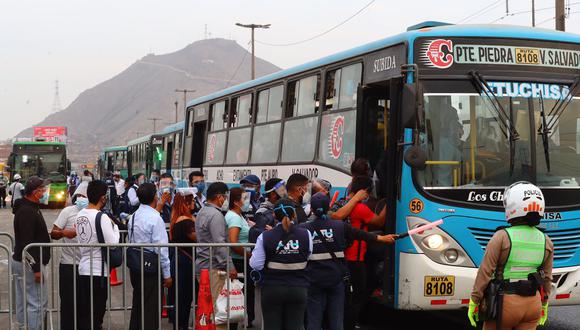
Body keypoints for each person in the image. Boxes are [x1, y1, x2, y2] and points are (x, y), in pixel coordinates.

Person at [302, 192, 397, 330]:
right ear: (329, 207)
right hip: (335, 279)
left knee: (314, 319)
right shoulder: (340, 226)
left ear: (311, 209)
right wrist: (382, 238)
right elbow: (360, 234)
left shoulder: (303, 229)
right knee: (336, 319)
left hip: (314, 280)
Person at [468, 182, 553, 329]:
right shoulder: (546, 240)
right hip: (533, 304)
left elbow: (486, 271)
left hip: (504, 303)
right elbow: (547, 277)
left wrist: (474, 301)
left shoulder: (502, 237)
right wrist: (544, 304)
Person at [249, 198, 312, 330]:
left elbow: (256, 264)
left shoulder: (265, 236)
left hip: (272, 289)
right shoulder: (306, 234)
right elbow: (308, 256)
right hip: (298, 288)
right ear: (294, 214)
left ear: (274, 215)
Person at [340, 176, 387, 330]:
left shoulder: (344, 204)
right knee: (358, 295)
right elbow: (379, 221)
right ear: (364, 192)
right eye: (368, 192)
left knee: (349, 294)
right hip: (356, 258)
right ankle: (350, 324)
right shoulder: (360, 208)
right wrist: (390, 201)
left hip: (345, 256)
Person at [76, 180, 120, 330]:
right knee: (97, 313)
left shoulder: (80, 214)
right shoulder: (102, 217)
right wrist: (116, 229)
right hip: (98, 272)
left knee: (85, 312)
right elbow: (113, 243)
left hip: (83, 268)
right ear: (103, 198)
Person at [127, 183, 172, 330]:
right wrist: (167, 274)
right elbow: (161, 249)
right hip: (151, 267)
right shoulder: (156, 218)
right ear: (155, 196)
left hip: (135, 266)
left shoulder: (133, 216)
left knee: (138, 302)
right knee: (151, 307)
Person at [195, 182, 237, 330]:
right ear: (219, 197)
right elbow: (220, 244)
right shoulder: (216, 215)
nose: (225, 200)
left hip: (203, 265)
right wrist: (230, 266)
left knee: (210, 308)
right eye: (225, 197)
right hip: (214, 268)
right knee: (219, 310)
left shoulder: (202, 211)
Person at [12, 176, 51, 330]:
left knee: (24, 299)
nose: (45, 192)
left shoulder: (29, 208)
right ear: (35, 192)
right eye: (43, 190)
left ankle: (23, 326)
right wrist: (36, 269)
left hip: (23, 261)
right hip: (30, 263)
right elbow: (27, 243)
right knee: (37, 302)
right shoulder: (28, 211)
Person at [50, 183, 88, 330]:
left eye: (84, 196)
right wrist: (66, 233)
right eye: (78, 196)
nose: (80, 199)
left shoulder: (96, 213)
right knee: (68, 303)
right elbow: (54, 232)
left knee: (85, 304)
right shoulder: (67, 212)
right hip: (68, 265)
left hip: (88, 267)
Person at [168, 188, 197, 330]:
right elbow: (198, 238)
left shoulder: (177, 217)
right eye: (192, 200)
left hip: (179, 260)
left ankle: (179, 324)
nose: (194, 203)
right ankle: (182, 325)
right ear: (186, 202)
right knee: (184, 297)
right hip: (184, 262)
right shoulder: (185, 221)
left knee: (180, 296)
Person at [225, 187, 254, 327]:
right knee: (236, 298)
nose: (247, 202)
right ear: (236, 202)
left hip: (242, 260)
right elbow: (233, 242)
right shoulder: (234, 218)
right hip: (239, 261)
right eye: (245, 199)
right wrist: (249, 255)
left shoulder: (239, 215)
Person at [250, 178, 286, 242]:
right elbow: (260, 236)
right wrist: (275, 231)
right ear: (273, 194)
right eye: (282, 190)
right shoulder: (262, 212)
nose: (285, 193)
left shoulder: (284, 208)